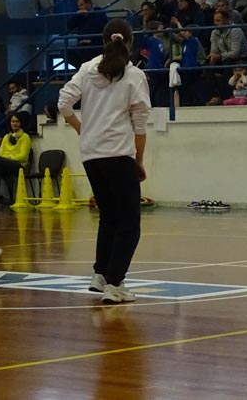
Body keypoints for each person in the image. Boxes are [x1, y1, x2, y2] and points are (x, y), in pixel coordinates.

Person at [57, 19, 152, 304]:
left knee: (109, 216)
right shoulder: (134, 75)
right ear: (130, 42)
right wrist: (139, 160)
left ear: (103, 40)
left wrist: (82, 129)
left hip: (91, 156)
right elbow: (140, 124)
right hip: (118, 155)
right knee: (129, 223)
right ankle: (115, 283)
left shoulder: (87, 69)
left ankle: (100, 275)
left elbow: (63, 103)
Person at [0, 114, 32, 205]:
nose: (15, 124)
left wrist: (10, 158)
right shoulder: (6, 137)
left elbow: (23, 156)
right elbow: (0, 154)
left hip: (19, 165)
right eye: (13, 121)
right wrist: (4, 159)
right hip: (5, 164)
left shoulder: (25, 137)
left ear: (21, 123)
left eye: (17, 121)